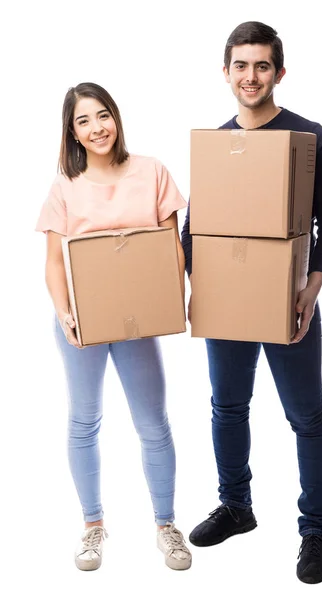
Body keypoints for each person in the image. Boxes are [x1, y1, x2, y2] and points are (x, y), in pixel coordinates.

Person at [181, 22, 322, 584]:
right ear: (225, 71)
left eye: (261, 66)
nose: (250, 77)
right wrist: (191, 287)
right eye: (240, 66)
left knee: (306, 417)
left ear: (279, 71)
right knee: (226, 407)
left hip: (288, 303)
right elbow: (195, 228)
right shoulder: (217, 145)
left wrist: (311, 288)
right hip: (228, 303)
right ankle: (236, 507)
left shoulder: (309, 139)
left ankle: (315, 533)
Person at [36, 82, 192, 572]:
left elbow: (172, 246)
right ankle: (92, 526)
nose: (96, 128)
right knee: (84, 421)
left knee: (153, 423)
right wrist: (65, 315)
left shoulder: (151, 172)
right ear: (72, 132)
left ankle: (167, 526)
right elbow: (55, 264)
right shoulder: (66, 186)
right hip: (82, 321)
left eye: (103, 115)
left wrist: (172, 301)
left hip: (138, 323)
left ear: (116, 118)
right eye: (83, 121)